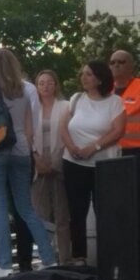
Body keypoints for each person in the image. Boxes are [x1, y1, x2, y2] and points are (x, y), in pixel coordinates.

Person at [0, 48, 57, 278]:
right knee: (26, 208)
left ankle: (4, 264)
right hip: (21, 150)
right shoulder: (25, 87)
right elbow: (28, 125)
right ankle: (49, 258)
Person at [60, 60, 126, 265]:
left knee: (104, 210)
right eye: (83, 74)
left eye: (88, 74)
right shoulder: (77, 99)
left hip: (103, 164)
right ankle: (80, 257)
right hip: (74, 162)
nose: (83, 78)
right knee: (76, 211)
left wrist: (93, 147)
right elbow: (63, 126)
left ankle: (109, 257)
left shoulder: (114, 102)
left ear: (99, 78)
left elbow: (117, 130)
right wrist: (71, 147)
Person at [31, 69, 72, 265]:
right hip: (38, 167)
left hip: (60, 163)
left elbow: (70, 133)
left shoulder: (66, 106)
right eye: (41, 83)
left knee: (62, 215)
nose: (45, 86)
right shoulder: (32, 108)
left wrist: (56, 161)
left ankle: (65, 259)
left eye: (49, 82)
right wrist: (37, 159)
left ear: (56, 85)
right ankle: (46, 258)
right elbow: (27, 135)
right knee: (40, 215)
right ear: (36, 87)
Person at [110, 50, 140, 158]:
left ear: (131, 66)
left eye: (121, 62)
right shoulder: (105, 90)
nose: (116, 65)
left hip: (136, 151)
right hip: (110, 149)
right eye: (112, 62)